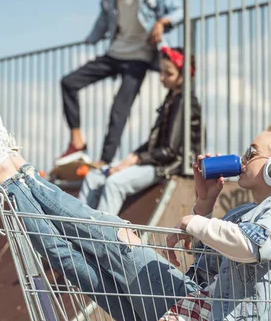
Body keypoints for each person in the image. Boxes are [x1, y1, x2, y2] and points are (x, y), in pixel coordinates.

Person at [0, 99, 271, 321]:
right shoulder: (243, 212)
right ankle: (9, 179)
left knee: (115, 235)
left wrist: (198, 223)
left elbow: (254, 248)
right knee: (81, 268)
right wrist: (204, 205)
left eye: (252, 152)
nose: (243, 157)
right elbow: (205, 275)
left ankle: (16, 172)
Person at [57, 0, 183, 167]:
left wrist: (162, 23)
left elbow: (180, 9)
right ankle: (77, 142)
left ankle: (105, 160)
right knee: (68, 82)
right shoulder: (108, 0)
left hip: (139, 59)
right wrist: (90, 39)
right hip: (114, 55)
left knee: (119, 109)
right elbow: (100, 25)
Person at [78, 46, 201, 215]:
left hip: (170, 165)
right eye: (161, 72)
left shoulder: (185, 102)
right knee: (94, 177)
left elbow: (170, 151)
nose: (161, 78)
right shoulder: (171, 98)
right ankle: (77, 227)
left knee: (115, 183)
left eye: (168, 74)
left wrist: (136, 160)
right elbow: (154, 141)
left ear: (184, 75)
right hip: (155, 160)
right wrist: (131, 158)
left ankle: (101, 239)